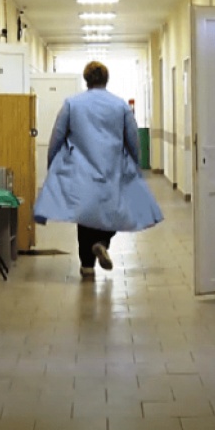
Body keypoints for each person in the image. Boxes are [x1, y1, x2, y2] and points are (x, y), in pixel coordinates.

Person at [34, 61, 164, 278]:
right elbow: (133, 139)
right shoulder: (120, 105)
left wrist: (52, 165)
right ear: (106, 79)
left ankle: (87, 265)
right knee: (113, 211)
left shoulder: (72, 104)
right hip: (112, 169)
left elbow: (57, 137)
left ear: (86, 80)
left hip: (81, 169)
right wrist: (135, 164)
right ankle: (102, 242)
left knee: (84, 215)